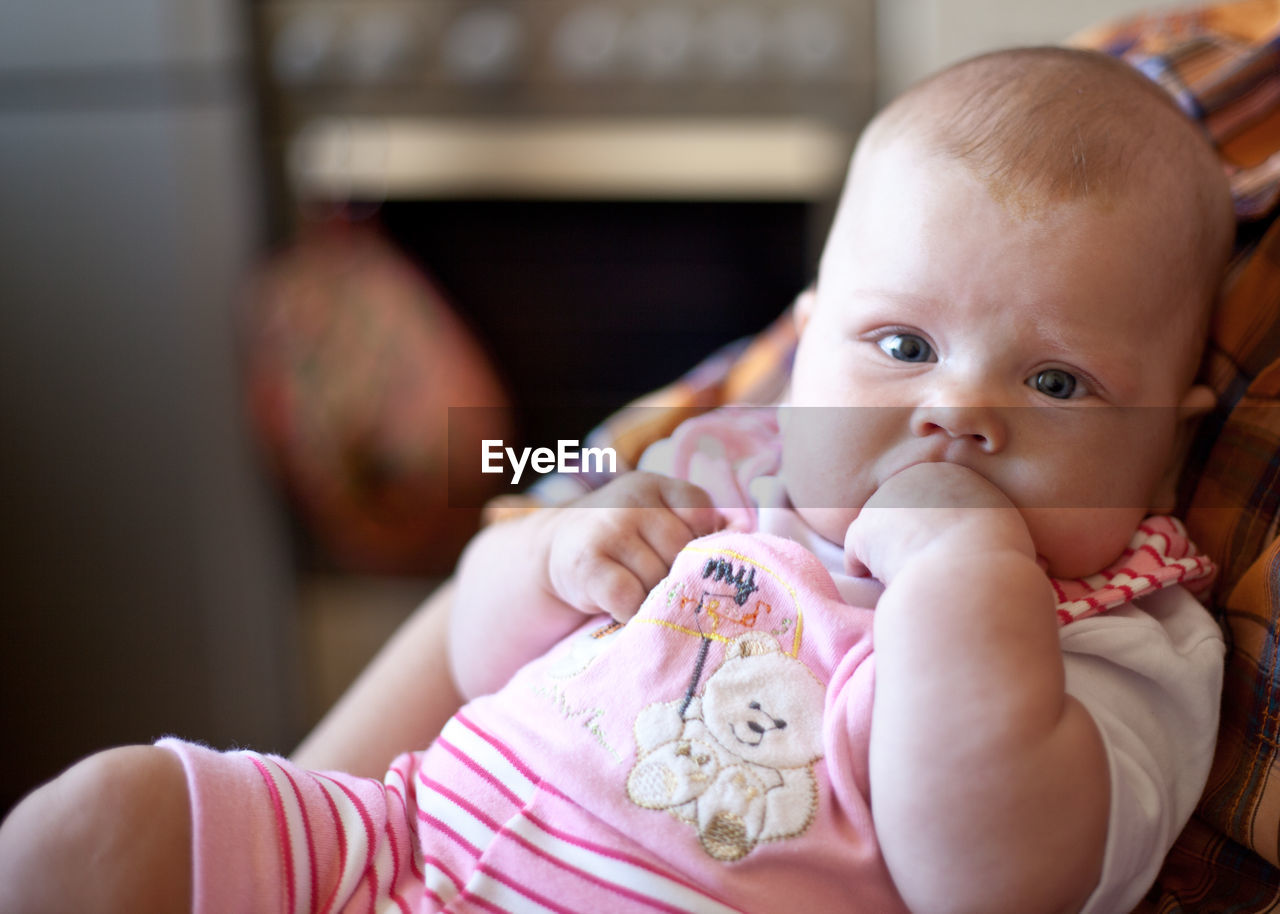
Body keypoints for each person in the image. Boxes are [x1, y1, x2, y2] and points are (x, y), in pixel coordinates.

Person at [0, 45, 1235, 914]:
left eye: (1059, 384)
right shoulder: (723, 466)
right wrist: (553, 558)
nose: (954, 415)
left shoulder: (1124, 643)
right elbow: (480, 651)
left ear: (1168, 439)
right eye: (900, 346)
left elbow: (993, 878)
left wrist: (964, 580)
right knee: (103, 819)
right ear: (800, 343)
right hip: (401, 840)